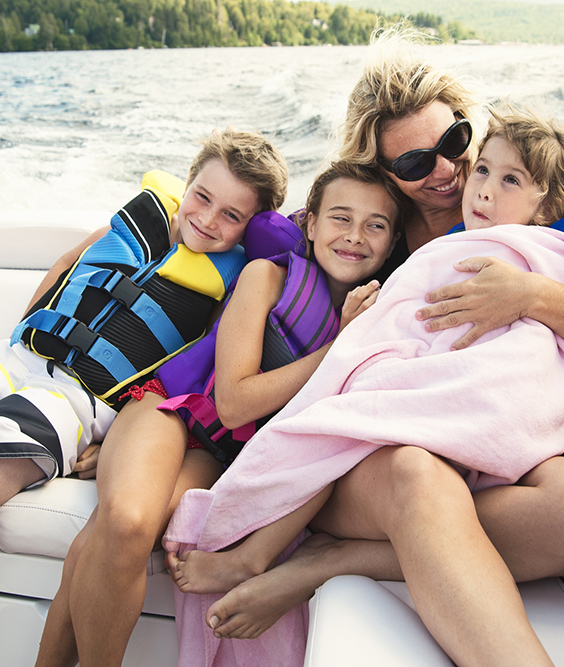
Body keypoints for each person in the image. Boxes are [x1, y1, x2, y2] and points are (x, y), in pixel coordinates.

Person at [164, 104, 564, 667]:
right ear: (388, 175)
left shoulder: (542, 251)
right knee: (416, 474)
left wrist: (530, 295)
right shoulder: (386, 247)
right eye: (415, 160)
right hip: (379, 457)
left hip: (474, 435)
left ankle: (338, 558)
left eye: (455, 142)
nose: (452, 172)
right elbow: (367, 360)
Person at [0, 127, 288, 667]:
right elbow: (63, 273)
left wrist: (115, 436)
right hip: (14, 357)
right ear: (187, 182)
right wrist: (23, 342)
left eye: (231, 216)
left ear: (249, 227)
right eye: (203, 197)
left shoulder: (228, 288)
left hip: (78, 398)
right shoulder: (128, 225)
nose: (209, 220)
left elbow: (190, 382)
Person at [33, 160, 402, 667]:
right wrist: (338, 346)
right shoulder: (266, 277)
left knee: (114, 537)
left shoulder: (383, 316)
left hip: (224, 458)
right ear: (311, 224)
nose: (355, 237)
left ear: (392, 240)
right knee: (125, 521)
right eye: (340, 218)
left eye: (375, 225)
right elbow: (232, 403)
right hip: (172, 412)